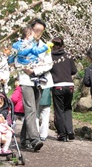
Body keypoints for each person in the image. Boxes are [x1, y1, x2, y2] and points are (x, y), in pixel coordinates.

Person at [17, 19, 53, 151]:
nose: (38, 34)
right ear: (30, 29)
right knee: (30, 109)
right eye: (36, 30)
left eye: (41, 32)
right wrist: (25, 68)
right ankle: (34, 139)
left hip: (40, 81)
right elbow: (17, 61)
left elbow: (49, 63)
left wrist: (35, 71)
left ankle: (24, 139)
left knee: (33, 110)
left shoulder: (44, 46)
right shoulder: (23, 45)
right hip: (26, 80)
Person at [50, 37, 77, 141]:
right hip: (69, 85)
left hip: (58, 85)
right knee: (67, 108)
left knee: (59, 110)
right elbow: (74, 70)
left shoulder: (50, 56)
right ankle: (70, 131)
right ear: (63, 45)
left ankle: (62, 133)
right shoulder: (68, 55)